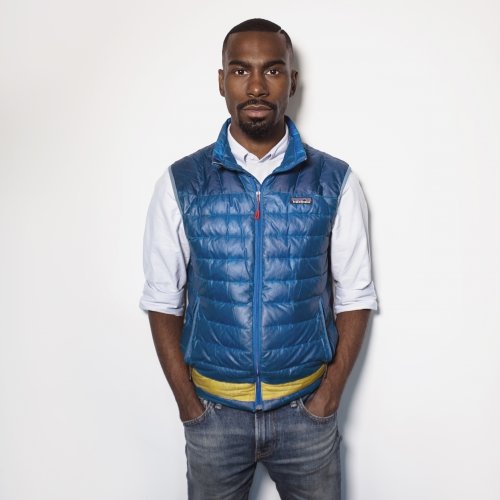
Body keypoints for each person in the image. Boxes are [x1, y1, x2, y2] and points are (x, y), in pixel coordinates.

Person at [140, 18, 377, 500]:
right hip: (213, 417)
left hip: (305, 416)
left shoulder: (335, 181)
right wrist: (189, 406)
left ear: (293, 81)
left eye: (272, 71)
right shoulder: (181, 183)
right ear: (221, 80)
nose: (255, 86)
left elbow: (355, 295)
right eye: (240, 70)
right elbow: (163, 299)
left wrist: (328, 397)